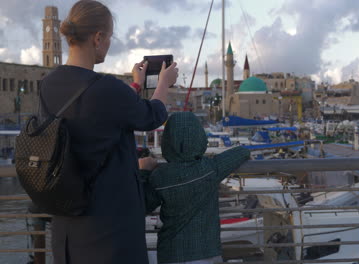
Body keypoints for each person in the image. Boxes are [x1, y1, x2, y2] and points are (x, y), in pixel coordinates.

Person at [40, 1, 178, 263]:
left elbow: (100, 111)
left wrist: (135, 86)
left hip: (66, 226)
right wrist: (164, 84)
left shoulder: (48, 83)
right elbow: (152, 115)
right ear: (98, 37)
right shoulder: (106, 88)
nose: (109, 43)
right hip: (109, 228)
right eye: (110, 36)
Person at [139, 112, 251, 264]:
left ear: (167, 142)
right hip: (206, 251)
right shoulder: (210, 169)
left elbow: (143, 204)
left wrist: (144, 171)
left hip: (171, 253)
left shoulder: (159, 177)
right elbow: (242, 152)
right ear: (200, 138)